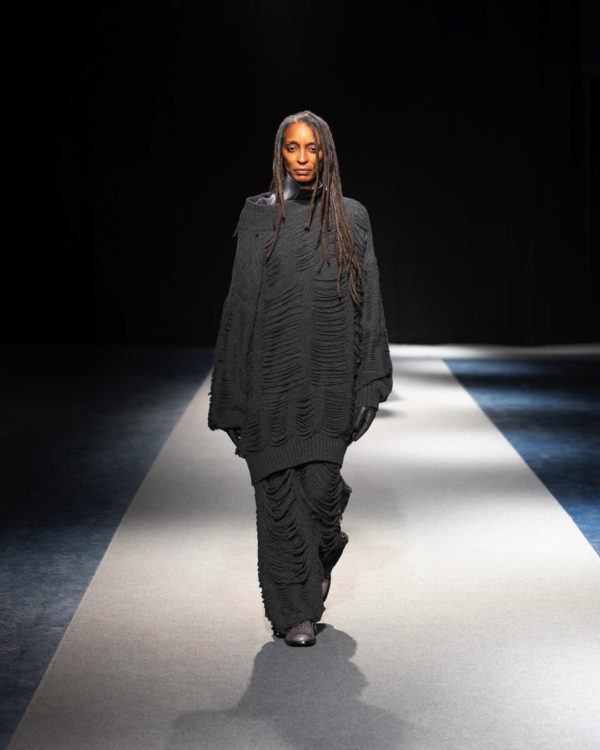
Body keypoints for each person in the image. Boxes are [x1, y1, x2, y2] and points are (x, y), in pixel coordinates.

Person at [208, 110, 393, 646]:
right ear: (280, 152)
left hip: (330, 380)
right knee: (278, 499)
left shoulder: (351, 217)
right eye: (293, 147)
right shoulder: (260, 216)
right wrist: (231, 395)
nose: (303, 158)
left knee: (320, 496)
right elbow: (240, 303)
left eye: (313, 148)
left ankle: (322, 552)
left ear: (327, 152)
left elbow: (370, 302)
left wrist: (370, 381)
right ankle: (295, 614)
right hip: (269, 381)